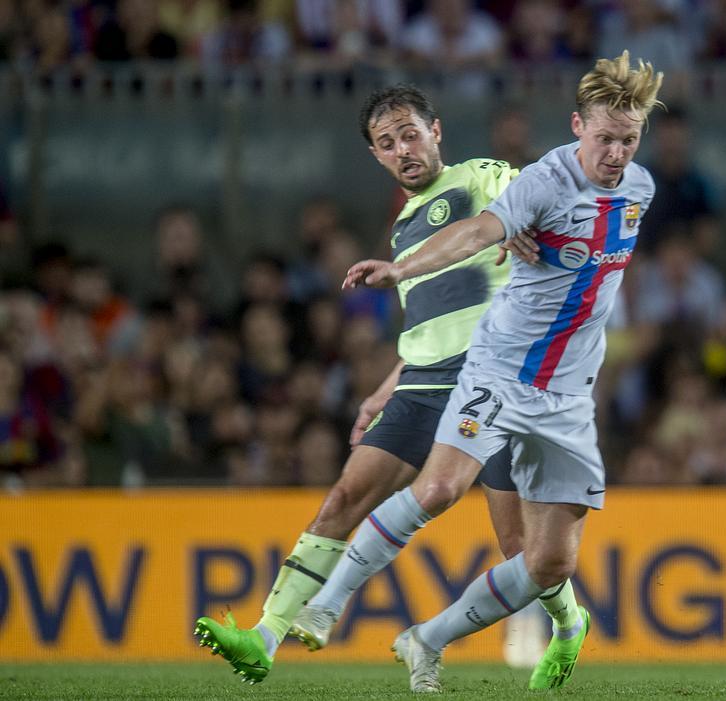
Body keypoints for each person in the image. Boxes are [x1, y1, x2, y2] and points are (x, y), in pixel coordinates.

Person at [193, 84, 582, 686]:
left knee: (520, 549)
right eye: (387, 142)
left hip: (497, 378)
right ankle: (264, 636)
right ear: (377, 156)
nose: (402, 148)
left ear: (436, 132)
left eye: (410, 134)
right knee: (343, 499)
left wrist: (519, 227)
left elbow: (526, 202)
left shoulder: (479, 177)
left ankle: (567, 623)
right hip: (423, 383)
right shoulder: (402, 227)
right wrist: (382, 389)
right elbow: (434, 323)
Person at [340, 51, 662, 693]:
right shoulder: (542, 182)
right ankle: (318, 609)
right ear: (577, 126)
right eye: (604, 138)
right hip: (501, 368)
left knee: (546, 563)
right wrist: (402, 269)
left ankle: (427, 638)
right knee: (437, 490)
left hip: (569, 395)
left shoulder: (639, 189)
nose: (616, 153)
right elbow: (477, 230)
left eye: (628, 140)